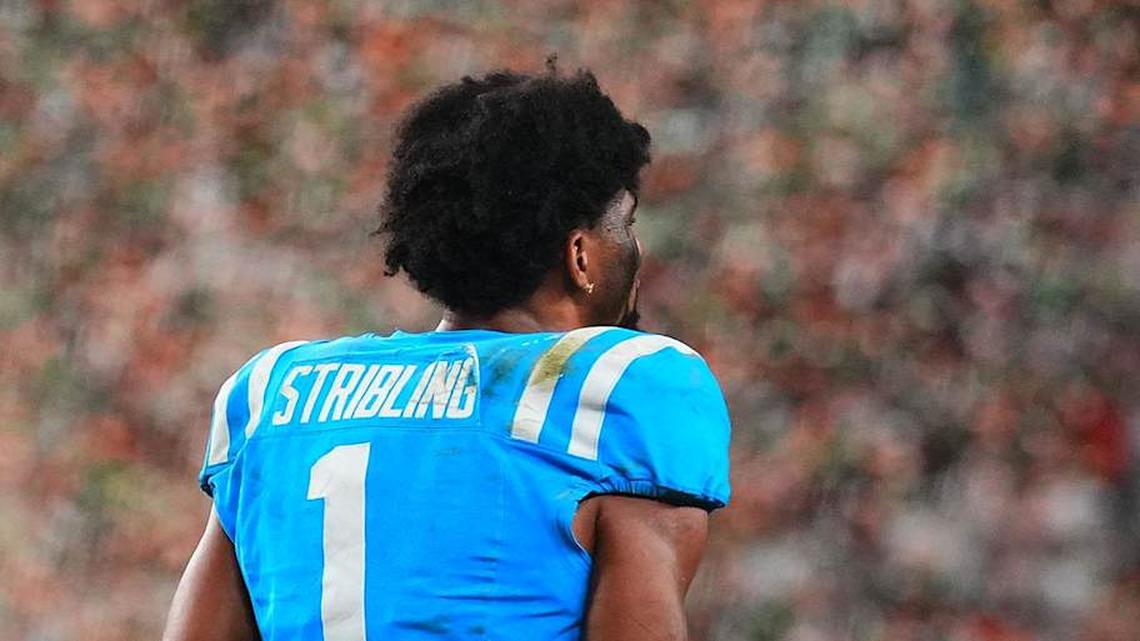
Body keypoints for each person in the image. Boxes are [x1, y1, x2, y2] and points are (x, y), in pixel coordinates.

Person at [162, 63, 731, 641]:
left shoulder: (271, 393)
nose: (634, 247)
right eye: (625, 224)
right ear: (580, 255)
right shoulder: (623, 384)